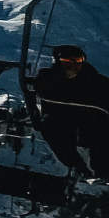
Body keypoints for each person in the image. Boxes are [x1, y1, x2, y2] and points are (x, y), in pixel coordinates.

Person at [33, 44, 109, 179]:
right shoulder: (48, 77)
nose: (73, 66)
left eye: (77, 61)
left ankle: (103, 174)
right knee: (50, 126)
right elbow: (42, 87)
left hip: (89, 123)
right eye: (67, 62)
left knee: (102, 129)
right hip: (62, 122)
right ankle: (79, 169)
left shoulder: (95, 80)